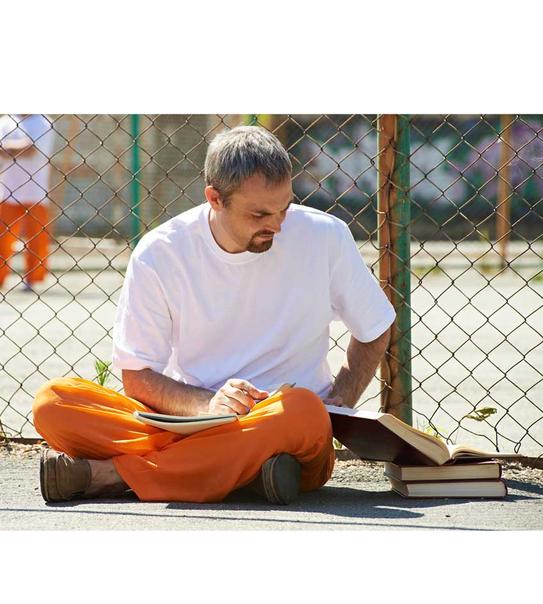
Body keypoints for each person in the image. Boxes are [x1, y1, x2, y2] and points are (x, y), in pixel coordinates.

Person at [33, 125, 396, 505]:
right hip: (189, 423)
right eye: (259, 214)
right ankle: (246, 472)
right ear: (214, 198)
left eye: (285, 207)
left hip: (284, 426)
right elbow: (137, 375)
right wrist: (209, 405)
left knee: (303, 411)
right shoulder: (161, 253)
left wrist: (339, 401)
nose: (276, 224)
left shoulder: (325, 236)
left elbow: (375, 325)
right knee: (54, 401)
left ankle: (112, 475)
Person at [0, 114, 55, 290]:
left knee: (36, 238)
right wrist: (18, 148)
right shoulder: (5, 122)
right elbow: (23, 147)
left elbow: (32, 149)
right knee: (2, 238)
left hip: (35, 191)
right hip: (7, 190)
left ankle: (33, 279)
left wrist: (7, 148)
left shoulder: (43, 122)